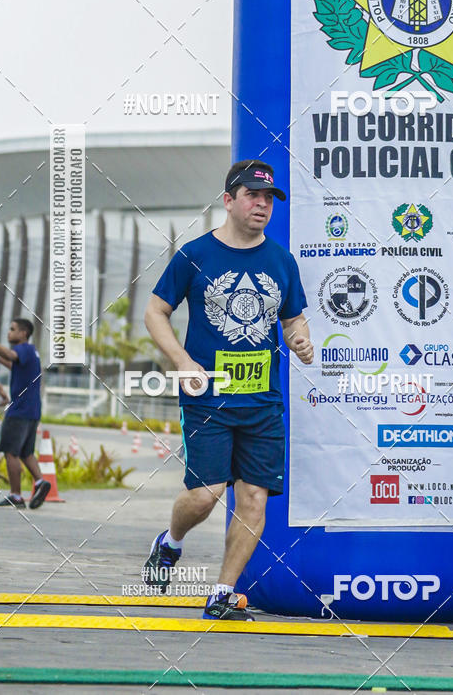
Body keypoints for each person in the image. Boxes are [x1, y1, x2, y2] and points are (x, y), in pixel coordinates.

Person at [142, 159, 313, 620]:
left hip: (262, 401)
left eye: (268, 199)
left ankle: (221, 592)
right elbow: (155, 312)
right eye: (252, 196)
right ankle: (169, 543)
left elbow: (293, 317)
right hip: (208, 397)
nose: (262, 205)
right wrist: (182, 362)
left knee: (254, 497)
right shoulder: (196, 254)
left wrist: (301, 339)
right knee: (207, 493)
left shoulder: (281, 260)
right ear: (229, 200)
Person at [0, 317, 51, 509]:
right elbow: (15, 365)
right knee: (26, 452)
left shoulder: (22, 348)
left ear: (23, 333)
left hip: (19, 411)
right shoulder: (31, 352)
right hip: (33, 411)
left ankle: (16, 496)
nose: (9, 333)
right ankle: (40, 482)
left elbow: (11, 356)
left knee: (11, 452)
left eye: (12, 329)